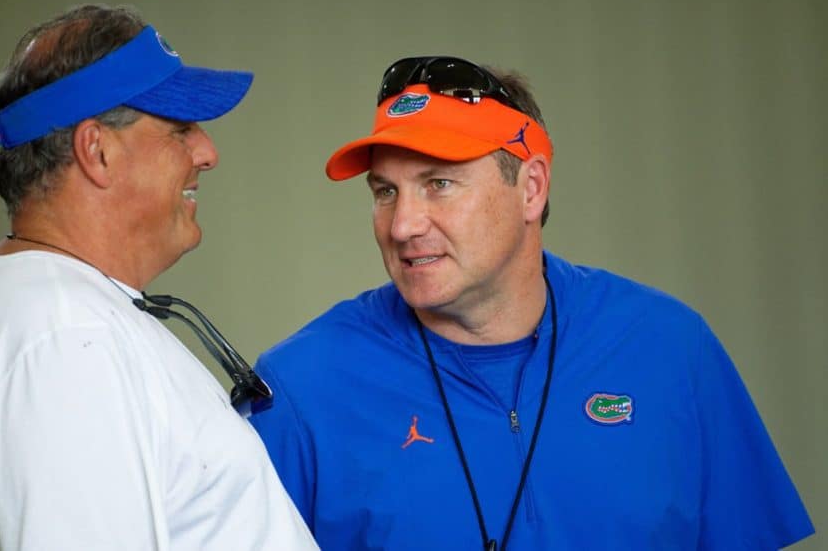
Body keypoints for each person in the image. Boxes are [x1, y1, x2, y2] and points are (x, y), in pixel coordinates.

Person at [249, 57, 814, 550]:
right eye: (385, 191)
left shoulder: (670, 349)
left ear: (531, 187)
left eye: (439, 183)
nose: (402, 225)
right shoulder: (299, 388)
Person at [0, 4, 316, 550]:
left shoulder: (57, 318)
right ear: (97, 151)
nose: (207, 152)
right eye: (180, 129)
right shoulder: (63, 342)